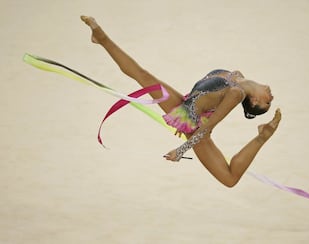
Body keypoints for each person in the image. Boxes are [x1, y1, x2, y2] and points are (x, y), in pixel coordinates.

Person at [81, 16, 282, 187]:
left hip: (196, 129)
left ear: (254, 100)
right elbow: (204, 92)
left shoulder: (237, 94)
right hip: (186, 107)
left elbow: (209, 126)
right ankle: (101, 37)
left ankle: (261, 137)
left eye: (267, 103)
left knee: (229, 179)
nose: (271, 97)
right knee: (143, 75)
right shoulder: (237, 75)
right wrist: (184, 114)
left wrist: (181, 150)